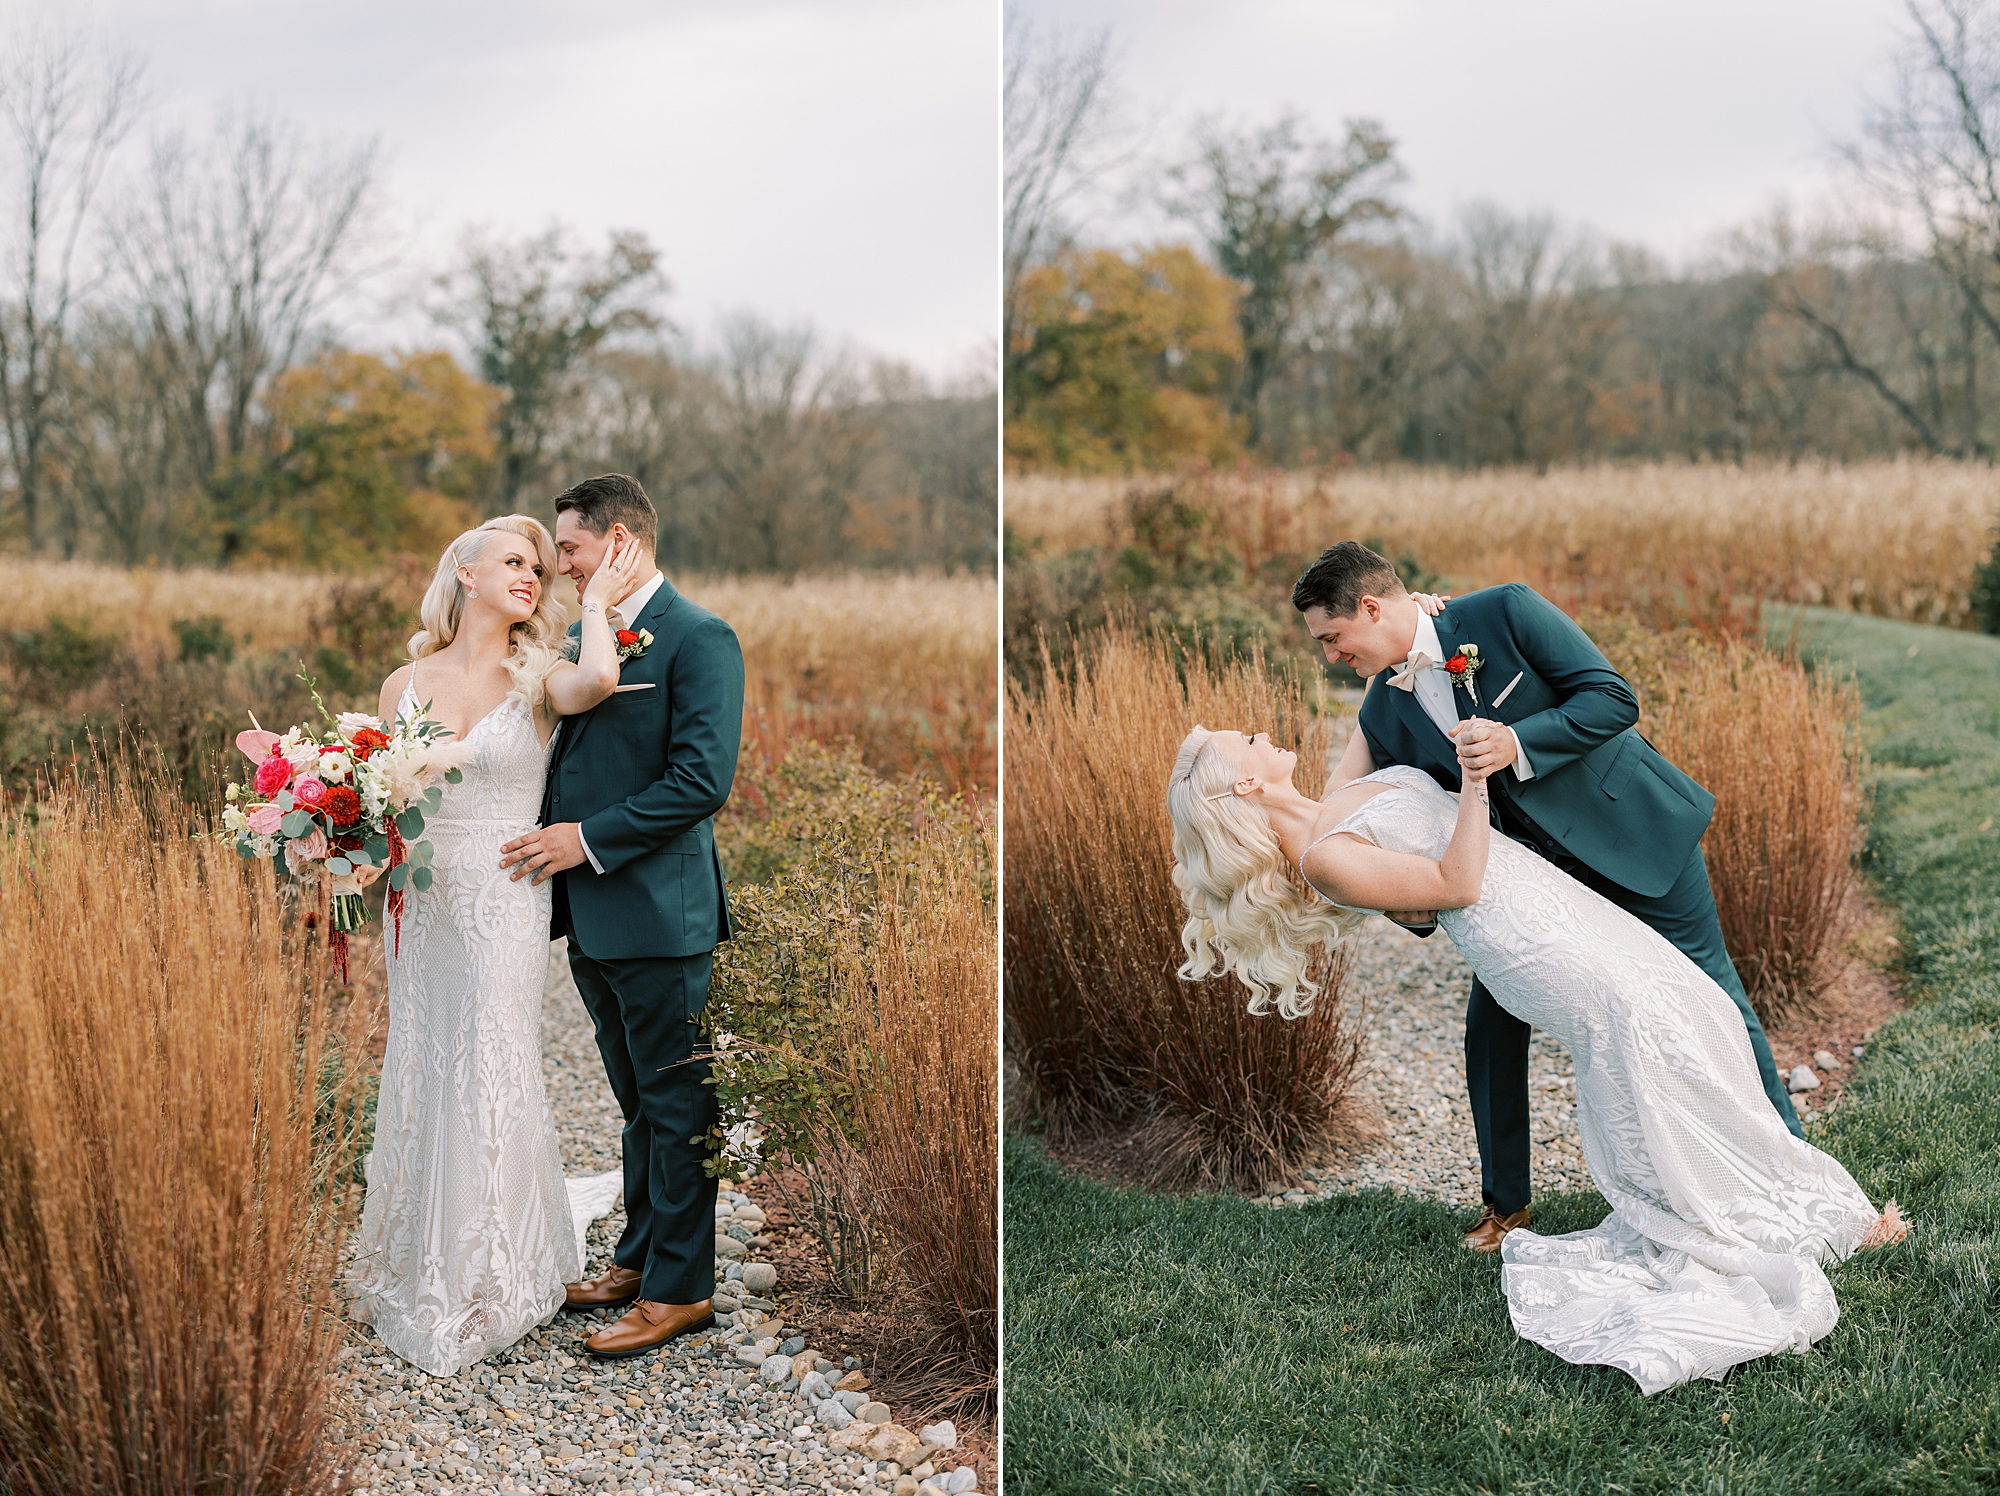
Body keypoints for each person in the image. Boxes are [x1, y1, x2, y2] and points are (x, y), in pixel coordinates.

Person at [1166, 724, 1905, 1394]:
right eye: (1249, 739)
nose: (1266, 732)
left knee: (1697, 1010)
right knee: (1645, 1039)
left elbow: (1372, 696)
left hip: (1552, 904)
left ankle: (1775, 1193)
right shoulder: (1326, 860)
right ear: (1247, 785)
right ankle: (1743, 1217)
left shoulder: (1336, 797)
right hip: (1524, 940)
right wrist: (1477, 778)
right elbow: (1455, 885)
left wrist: (1418, 628)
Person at [1291, 543, 1801, 1255]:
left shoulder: (1504, 611)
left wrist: (1515, 742)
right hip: (1539, 894)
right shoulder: (1382, 712)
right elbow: (1351, 814)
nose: (1331, 656)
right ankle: (1507, 1207)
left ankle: (1796, 1170)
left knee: (1717, 994)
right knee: (1490, 1030)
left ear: (1372, 608)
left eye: (1332, 637)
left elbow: (1614, 698)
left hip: (1635, 838)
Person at [350, 514, 646, 1375]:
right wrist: (338, 851)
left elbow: (601, 676)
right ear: (466, 573)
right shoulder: (402, 684)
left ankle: (490, 1270)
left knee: (488, 1053)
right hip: (423, 899)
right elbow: (379, 803)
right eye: (513, 561)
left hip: (506, 892)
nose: (529, 575)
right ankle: (421, 1247)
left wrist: (593, 599)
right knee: (424, 1055)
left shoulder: (540, 675)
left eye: (539, 567)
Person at [499, 473, 746, 1361]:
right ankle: (640, 1260)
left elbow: (698, 783)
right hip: (595, 916)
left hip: (660, 914)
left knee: (679, 1104)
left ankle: (682, 1291)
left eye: (569, 547)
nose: (559, 565)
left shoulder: (699, 638)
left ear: (618, 542)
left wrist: (584, 841)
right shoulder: (590, 635)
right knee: (638, 1101)